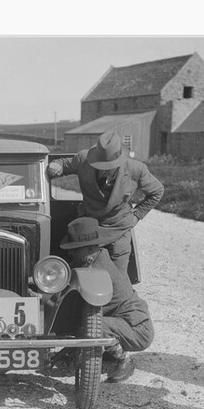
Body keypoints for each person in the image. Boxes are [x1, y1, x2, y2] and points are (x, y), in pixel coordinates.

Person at [47, 129, 164, 278]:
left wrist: (137, 216)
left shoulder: (136, 169)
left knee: (119, 278)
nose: (104, 171)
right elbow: (63, 164)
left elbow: (157, 191)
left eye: (108, 167)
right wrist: (56, 165)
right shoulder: (83, 160)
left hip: (118, 227)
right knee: (82, 273)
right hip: (89, 228)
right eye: (99, 165)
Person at [59, 217, 154, 383]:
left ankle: (124, 361)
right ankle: (105, 357)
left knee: (94, 326)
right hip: (124, 323)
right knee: (90, 325)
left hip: (138, 329)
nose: (71, 253)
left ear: (90, 248)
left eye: (75, 249)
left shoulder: (98, 268)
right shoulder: (96, 257)